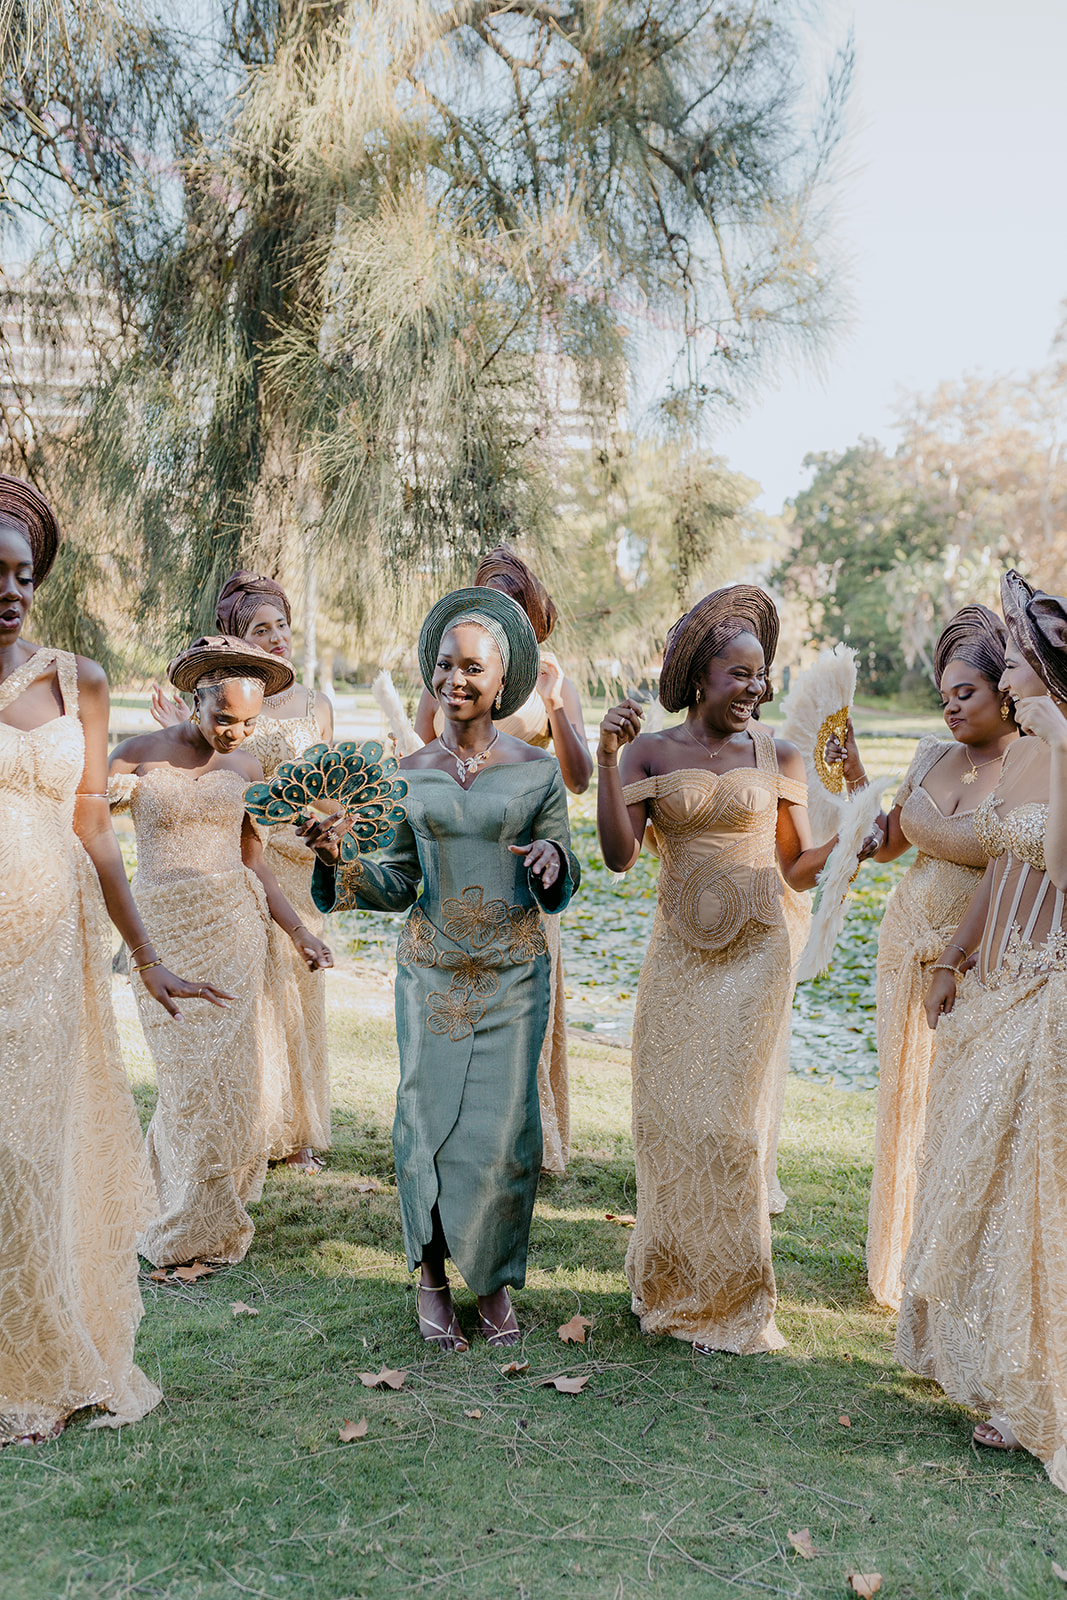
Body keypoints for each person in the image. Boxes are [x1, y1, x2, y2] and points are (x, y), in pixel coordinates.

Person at [0, 476, 227, 1445]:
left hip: (50, 956)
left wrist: (147, 955)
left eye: (23, 572)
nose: (12, 588)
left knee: (33, 1153)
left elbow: (93, 824)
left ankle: (41, 1357)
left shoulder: (76, 678)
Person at [596, 584, 875, 1353]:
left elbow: (793, 868)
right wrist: (606, 758)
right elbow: (618, 857)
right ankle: (667, 1276)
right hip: (676, 960)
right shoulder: (650, 752)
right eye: (738, 675)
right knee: (666, 1121)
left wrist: (854, 833)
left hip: (756, 954)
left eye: (761, 675)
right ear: (697, 677)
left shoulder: (776, 755)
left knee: (731, 1130)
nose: (755, 688)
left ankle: (734, 1296)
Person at [303, 587, 580, 1352]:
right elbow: (396, 884)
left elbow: (562, 872)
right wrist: (340, 858)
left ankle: (491, 1285)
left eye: (472, 667)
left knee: (506, 1131)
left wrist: (553, 861)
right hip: (430, 974)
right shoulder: (409, 774)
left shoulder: (535, 773)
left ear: (502, 682)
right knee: (423, 1123)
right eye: (443, 664)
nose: (454, 677)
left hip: (513, 975)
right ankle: (428, 1279)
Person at [900, 571, 1067, 1489]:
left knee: (1034, 1192)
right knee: (988, 1180)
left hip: (1054, 994)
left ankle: (1036, 1391)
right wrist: (951, 961)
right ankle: (999, 1372)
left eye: (1016, 660)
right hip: (997, 982)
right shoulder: (1023, 751)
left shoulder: (1060, 747)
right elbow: (1003, 868)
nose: (1003, 677)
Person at [110, 636, 332, 1267]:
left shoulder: (248, 771)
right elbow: (83, 823)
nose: (237, 732)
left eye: (250, 721)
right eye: (224, 717)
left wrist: (298, 932)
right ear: (193, 701)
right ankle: (167, 1199)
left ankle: (204, 1218)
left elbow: (254, 861)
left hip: (232, 928)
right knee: (184, 1079)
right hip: (162, 932)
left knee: (226, 1080)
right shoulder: (136, 755)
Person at [844, 606, 1017, 1309]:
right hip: (902, 945)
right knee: (902, 1099)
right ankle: (897, 1257)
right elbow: (894, 841)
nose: (949, 706)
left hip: (976, 960)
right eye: (943, 694)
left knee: (958, 1115)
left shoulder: (1031, 769)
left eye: (964, 693)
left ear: (1005, 690)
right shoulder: (928, 754)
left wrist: (957, 955)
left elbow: (1021, 867)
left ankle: (949, 1270)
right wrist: (862, 808)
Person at [414, 546, 590, 1174]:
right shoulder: (454, 673)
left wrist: (559, 703)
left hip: (526, 869)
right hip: (459, 863)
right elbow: (423, 764)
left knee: (524, 1005)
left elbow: (578, 779)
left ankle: (527, 1135)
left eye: (510, 600)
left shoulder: (547, 677)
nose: (497, 609)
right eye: (488, 596)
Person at [152, 571, 333, 1172]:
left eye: (282, 625)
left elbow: (327, 787)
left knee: (295, 989)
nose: (277, 636)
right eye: (261, 628)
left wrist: (332, 827)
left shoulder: (315, 704)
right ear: (238, 636)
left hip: (294, 856)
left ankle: (297, 1129)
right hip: (235, 852)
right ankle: (254, 1119)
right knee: (246, 995)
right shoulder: (220, 706)